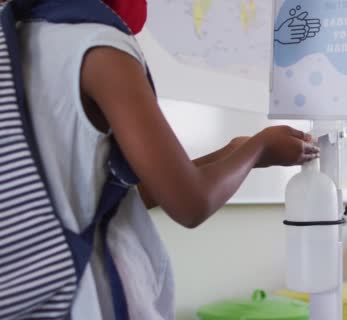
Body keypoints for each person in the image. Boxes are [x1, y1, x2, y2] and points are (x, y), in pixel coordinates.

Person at [17, 0, 319, 318]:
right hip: (91, 297)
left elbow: (111, 194)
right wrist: (259, 148)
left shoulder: (17, 40)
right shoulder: (96, 46)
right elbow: (191, 204)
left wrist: (235, 151)